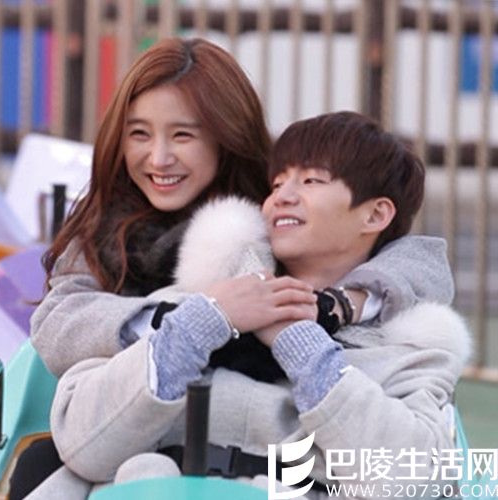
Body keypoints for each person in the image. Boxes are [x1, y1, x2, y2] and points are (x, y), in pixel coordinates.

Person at [25, 111, 469, 500]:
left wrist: (301, 345)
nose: (282, 197)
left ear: (375, 215)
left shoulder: (410, 349)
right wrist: (201, 326)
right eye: (277, 184)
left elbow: (418, 480)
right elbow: (79, 441)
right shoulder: (194, 302)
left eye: (311, 181)